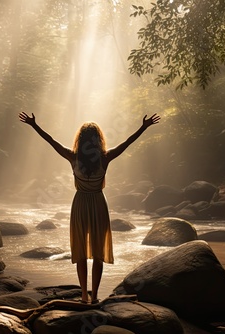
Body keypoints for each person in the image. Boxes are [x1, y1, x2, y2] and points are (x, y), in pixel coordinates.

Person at [18, 112, 160, 303]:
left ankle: (84, 295)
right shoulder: (105, 158)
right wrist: (144, 127)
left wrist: (34, 125)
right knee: (98, 253)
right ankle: (95, 298)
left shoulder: (72, 157)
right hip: (98, 204)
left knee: (81, 253)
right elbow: (127, 143)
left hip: (80, 205)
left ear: (81, 140)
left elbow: (51, 141)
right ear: (98, 140)